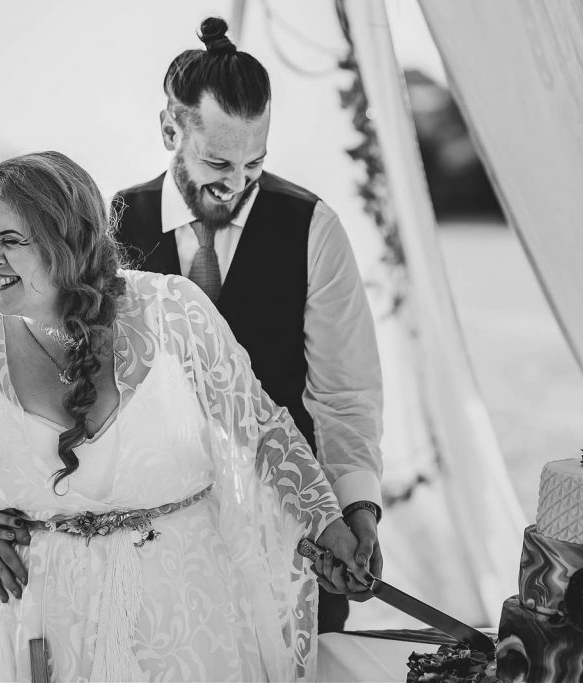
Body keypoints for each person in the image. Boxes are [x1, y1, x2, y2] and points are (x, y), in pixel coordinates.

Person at [0, 151, 370, 681]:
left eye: (9, 241)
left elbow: (261, 430)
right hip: (37, 630)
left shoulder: (172, 311)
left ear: (65, 241)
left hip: (186, 622)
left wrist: (328, 523)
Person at [113, 16, 385, 633]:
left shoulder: (314, 228)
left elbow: (346, 396)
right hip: (161, 545)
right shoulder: (114, 223)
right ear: (169, 129)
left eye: (255, 164)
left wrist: (356, 510)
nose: (236, 185)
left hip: (294, 536)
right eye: (217, 161)